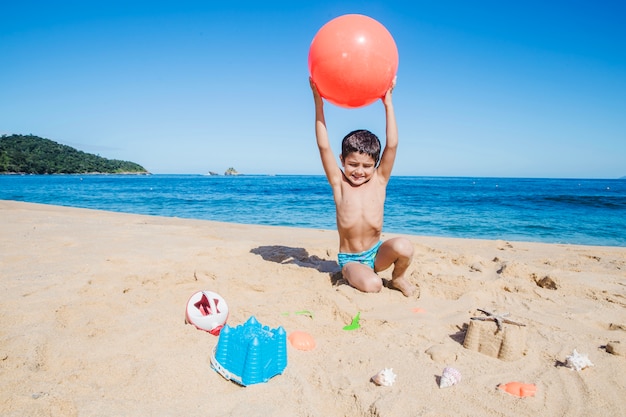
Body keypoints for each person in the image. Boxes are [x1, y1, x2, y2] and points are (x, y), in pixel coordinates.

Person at [310, 77, 416, 297]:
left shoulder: (380, 180)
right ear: (342, 160)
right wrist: (318, 102)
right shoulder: (339, 183)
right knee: (373, 285)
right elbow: (323, 145)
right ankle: (350, 274)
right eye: (353, 164)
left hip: (377, 254)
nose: (359, 171)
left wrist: (388, 104)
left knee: (404, 246)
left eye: (367, 166)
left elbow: (393, 145)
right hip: (351, 259)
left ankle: (397, 279)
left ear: (375, 165)